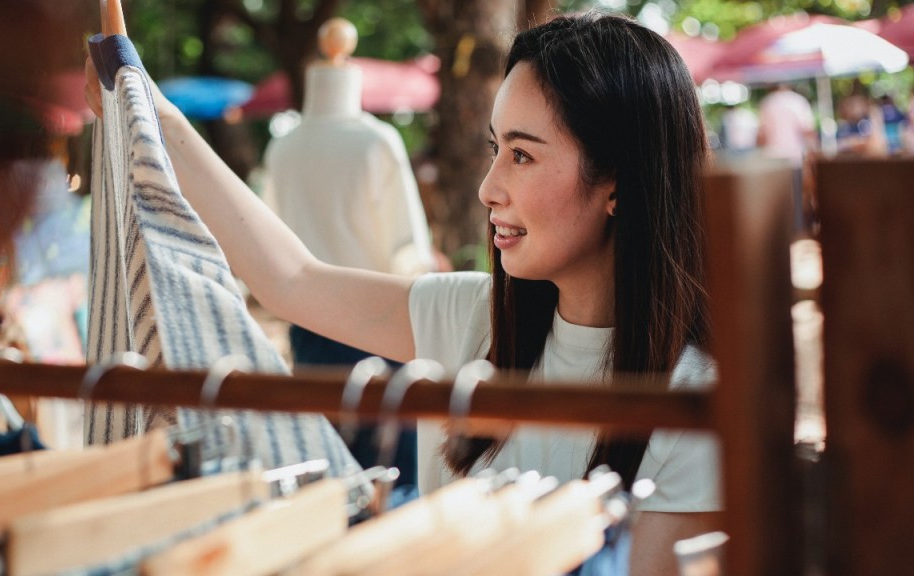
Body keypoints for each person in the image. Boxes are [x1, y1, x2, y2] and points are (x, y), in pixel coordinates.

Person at [85, 12, 719, 575]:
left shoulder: (694, 404)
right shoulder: (474, 317)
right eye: (495, 149)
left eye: (522, 157)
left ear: (618, 181)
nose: (488, 188)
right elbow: (292, 279)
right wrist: (148, 112)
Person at [261, 18, 435, 497]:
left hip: (309, 331)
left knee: (327, 476)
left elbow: (268, 243)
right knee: (392, 480)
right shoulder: (377, 143)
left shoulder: (282, 148)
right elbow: (408, 254)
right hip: (377, 325)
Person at [757, 83, 817, 233]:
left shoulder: (767, 103)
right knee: (797, 197)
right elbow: (807, 131)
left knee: (776, 201)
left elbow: (762, 136)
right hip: (794, 157)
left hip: (772, 160)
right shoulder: (799, 102)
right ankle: (797, 230)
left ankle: (780, 233)